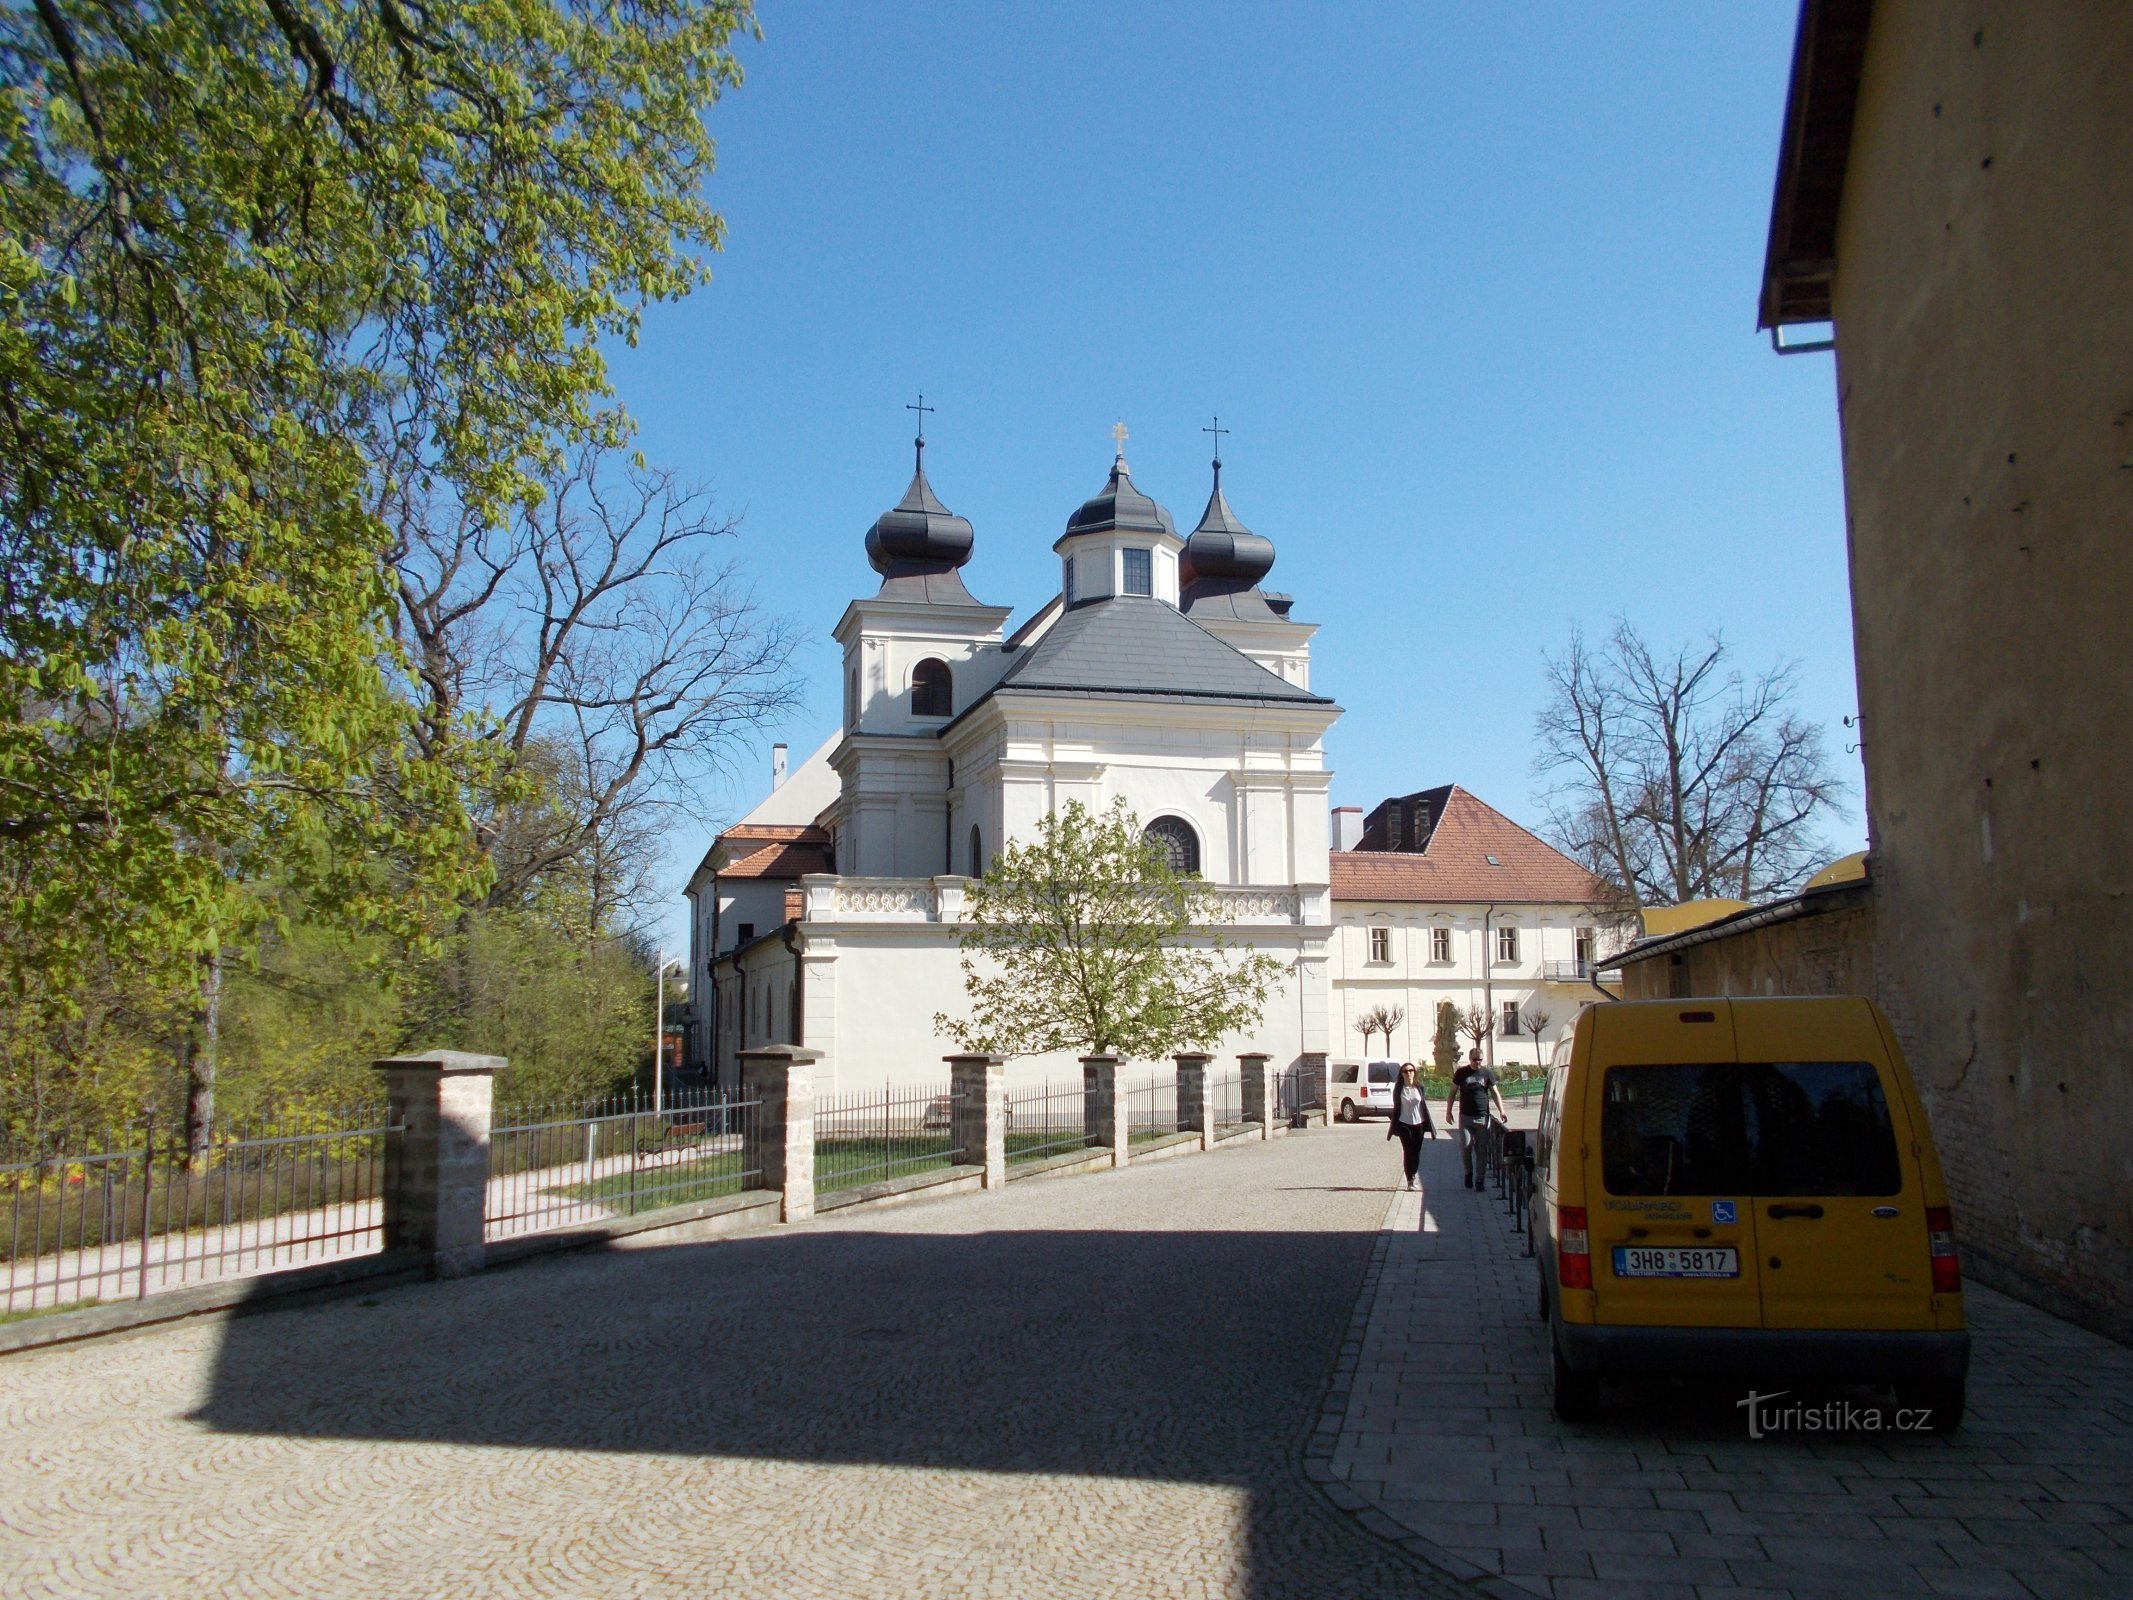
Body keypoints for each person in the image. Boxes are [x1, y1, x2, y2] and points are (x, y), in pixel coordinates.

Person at [1447, 1048, 1507, 1190]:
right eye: (1475, 1059)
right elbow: (1452, 1092)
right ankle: (1468, 1172)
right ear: (1469, 1058)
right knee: (1466, 1146)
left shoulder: (1486, 1073)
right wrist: (1448, 1111)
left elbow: (1495, 1093)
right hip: (1465, 1116)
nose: (1478, 1062)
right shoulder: (1462, 1073)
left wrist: (1502, 1111)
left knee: (1481, 1149)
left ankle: (1479, 1180)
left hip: (1482, 1116)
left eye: (1480, 1059)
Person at [1384, 1062, 1434, 1189]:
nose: (1409, 1073)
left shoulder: (1419, 1087)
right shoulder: (1399, 1089)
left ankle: (1413, 1172)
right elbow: (1396, 1107)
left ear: (1414, 1072)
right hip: (1404, 1123)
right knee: (1408, 1150)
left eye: (1411, 1070)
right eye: (1405, 1071)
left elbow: (1423, 1105)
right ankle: (1409, 1180)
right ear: (1402, 1074)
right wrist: (1394, 1125)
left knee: (1416, 1152)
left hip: (1419, 1123)